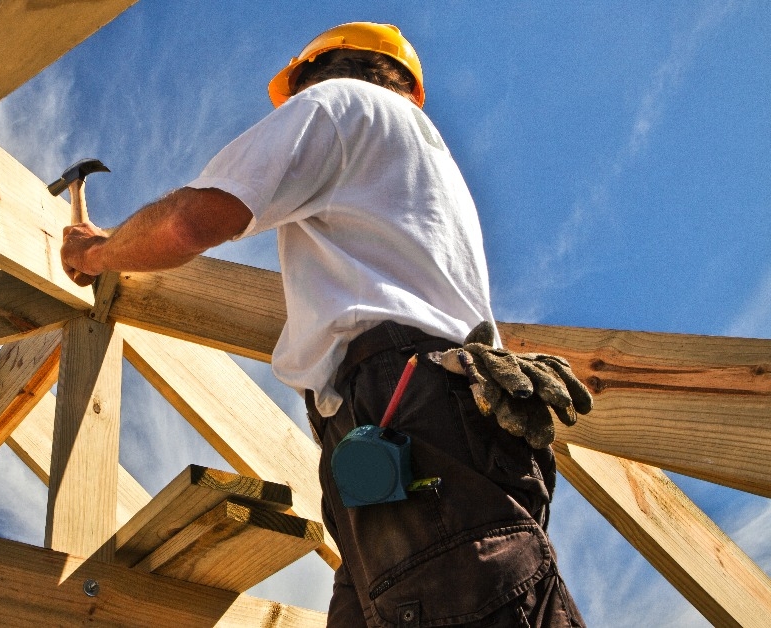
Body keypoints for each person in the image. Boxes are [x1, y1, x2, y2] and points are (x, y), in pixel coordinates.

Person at [61, 22, 585, 627]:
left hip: (406, 412)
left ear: (316, 73)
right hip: (421, 426)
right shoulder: (420, 164)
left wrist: (96, 252)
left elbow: (187, 222)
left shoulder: (342, 105)